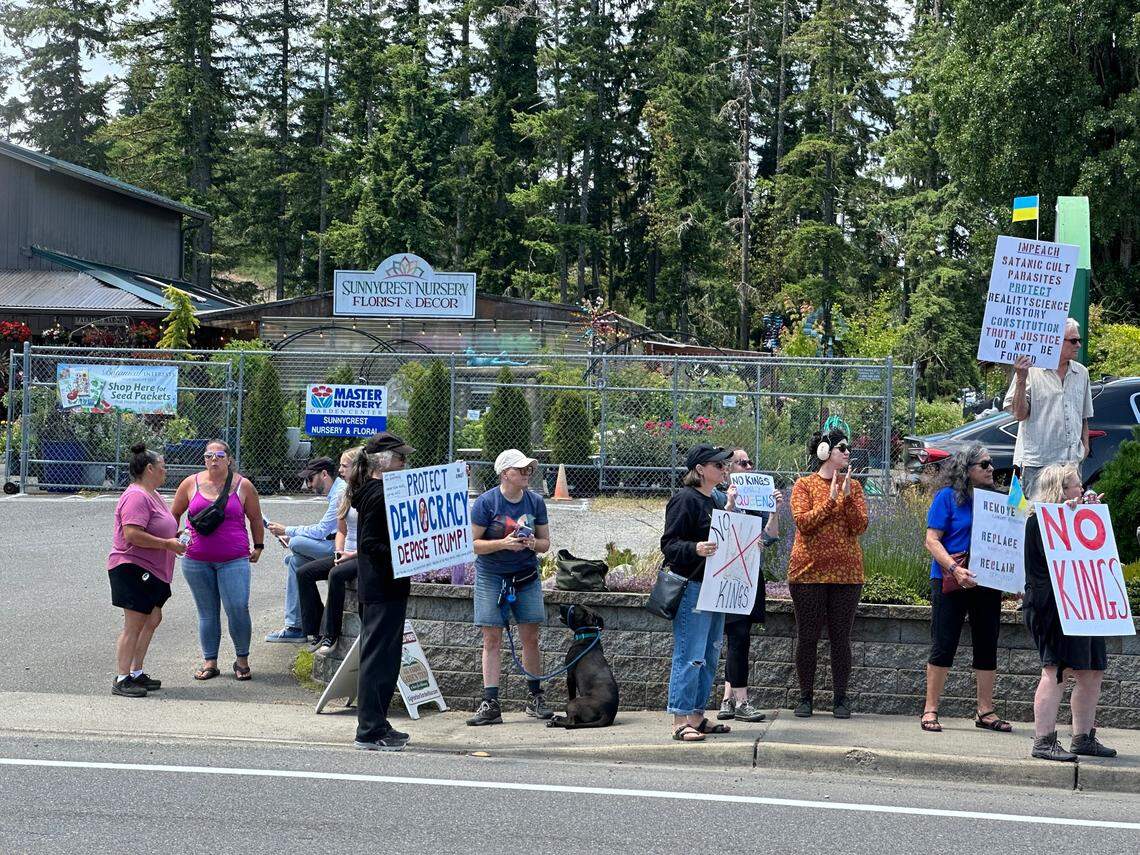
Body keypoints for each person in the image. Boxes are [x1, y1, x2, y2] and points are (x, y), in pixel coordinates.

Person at [1025, 463, 1116, 761]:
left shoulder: (1076, 516)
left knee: (1092, 670)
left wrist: (1091, 516)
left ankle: (1083, 737)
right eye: (1077, 485)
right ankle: (1043, 740)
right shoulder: (1040, 521)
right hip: (1052, 607)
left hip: (1085, 605)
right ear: (1061, 490)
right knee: (1056, 670)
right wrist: (1069, 517)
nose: (1082, 488)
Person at [920, 443, 1011, 734]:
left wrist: (1013, 578)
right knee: (944, 642)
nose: (991, 468)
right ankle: (930, 709)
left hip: (986, 581)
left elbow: (1012, 537)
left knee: (987, 643)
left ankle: (985, 710)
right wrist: (954, 569)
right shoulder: (946, 497)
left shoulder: (997, 500)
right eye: (984, 464)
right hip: (951, 578)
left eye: (991, 463)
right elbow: (932, 540)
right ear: (966, 469)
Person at [466, 449, 553, 726]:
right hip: (491, 575)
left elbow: (545, 543)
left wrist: (532, 543)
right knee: (491, 639)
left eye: (529, 469)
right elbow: (472, 544)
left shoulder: (535, 501)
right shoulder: (486, 502)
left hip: (526, 576)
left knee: (531, 637)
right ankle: (490, 702)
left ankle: (535, 697)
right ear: (505, 473)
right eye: (521, 469)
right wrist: (503, 543)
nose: (527, 473)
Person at [787, 427, 867, 719]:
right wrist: (831, 500)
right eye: (841, 447)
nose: (847, 452)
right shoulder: (804, 485)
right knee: (807, 636)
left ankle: (841, 698)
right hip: (808, 575)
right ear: (825, 451)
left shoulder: (853, 487)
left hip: (847, 576)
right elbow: (804, 523)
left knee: (840, 638)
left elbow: (860, 526)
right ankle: (805, 697)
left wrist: (846, 499)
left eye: (848, 447)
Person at [171, 439, 264, 681]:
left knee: (237, 608)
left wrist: (258, 546)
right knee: (207, 612)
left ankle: (242, 660)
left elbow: (255, 518)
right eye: (209, 455)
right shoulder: (190, 483)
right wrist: (172, 539)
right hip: (196, 559)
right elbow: (174, 513)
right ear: (204, 459)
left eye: (220, 455)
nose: (214, 459)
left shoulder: (243, 486)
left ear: (229, 459)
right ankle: (210, 661)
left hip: (233, 559)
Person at [661, 444, 734, 742]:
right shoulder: (685, 499)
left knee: (709, 654)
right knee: (690, 654)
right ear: (700, 469)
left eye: (724, 464)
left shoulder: (715, 500)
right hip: (692, 585)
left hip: (714, 587)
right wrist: (695, 548)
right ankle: (680, 719)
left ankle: (697, 716)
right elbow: (669, 545)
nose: (724, 469)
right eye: (718, 465)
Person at [351, 432, 415, 751]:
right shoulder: (378, 494)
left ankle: (378, 721)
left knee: (387, 660)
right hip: (381, 586)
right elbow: (370, 543)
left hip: (387, 585)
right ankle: (369, 730)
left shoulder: (381, 490)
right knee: (378, 660)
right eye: (401, 458)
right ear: (385, 461)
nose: (404, 463)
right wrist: (403, 554)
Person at [107, 443, 187, 697]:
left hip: (154, 569)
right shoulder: (136, 496)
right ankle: (122, 678)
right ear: (150, 469)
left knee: (152, 619)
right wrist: (167, 544)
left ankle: (136, 672)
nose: (166, 470)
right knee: (135, 623)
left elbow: (158, 527)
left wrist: (175, 537)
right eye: (163, 466)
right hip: (132, 567)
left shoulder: (153, 494)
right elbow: (132, 534)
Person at [713, 448, 783, 723]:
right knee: (737, 636)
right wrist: (730, 506)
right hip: (727, 575)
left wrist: (774, 511)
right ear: (728, 468)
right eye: (742, 463)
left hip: (750, 574)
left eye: (750, 462)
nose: (748, 466)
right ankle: (740, 701)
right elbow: (717, 533)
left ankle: (728, 699)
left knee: (739, 637)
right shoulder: (718, 496)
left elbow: (770, 537)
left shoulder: (756, 500)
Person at [1004, 318, 1093, 496]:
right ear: (1056, 341)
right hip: (1039, 465)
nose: (1078, 345)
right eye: (1073, 340)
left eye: (1079, 340)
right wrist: (1021, 378)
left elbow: (1083, 415)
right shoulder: (1031, 370)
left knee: (1069, 512)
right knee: (1035, 512)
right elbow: (1019, 414)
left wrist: (1085, 446)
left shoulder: (1081, 373)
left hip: (1071, 465)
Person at [265, 456, 345, 643]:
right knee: (295, 562)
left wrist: (287, 530)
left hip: (342, 550)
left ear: (324, 474)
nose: (308, 484)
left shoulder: (340, 493)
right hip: (332, 543)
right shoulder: (336, 491)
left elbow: (321, 530)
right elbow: (327, 531)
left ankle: (298, 627)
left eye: (310, 478)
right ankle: (295, 627)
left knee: (296, 544)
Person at [296, 447, 362, 653]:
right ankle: (316, 630)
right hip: (345, 553)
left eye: (344, 466)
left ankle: (330, 635)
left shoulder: (370, 494)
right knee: (303, 572)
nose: (340, 470)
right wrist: (339, 552)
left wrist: (351, 555)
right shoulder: (346, 493)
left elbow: (374, 537)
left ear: (358, 467)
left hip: (363, 555)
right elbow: (341, 530)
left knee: (336, 574)